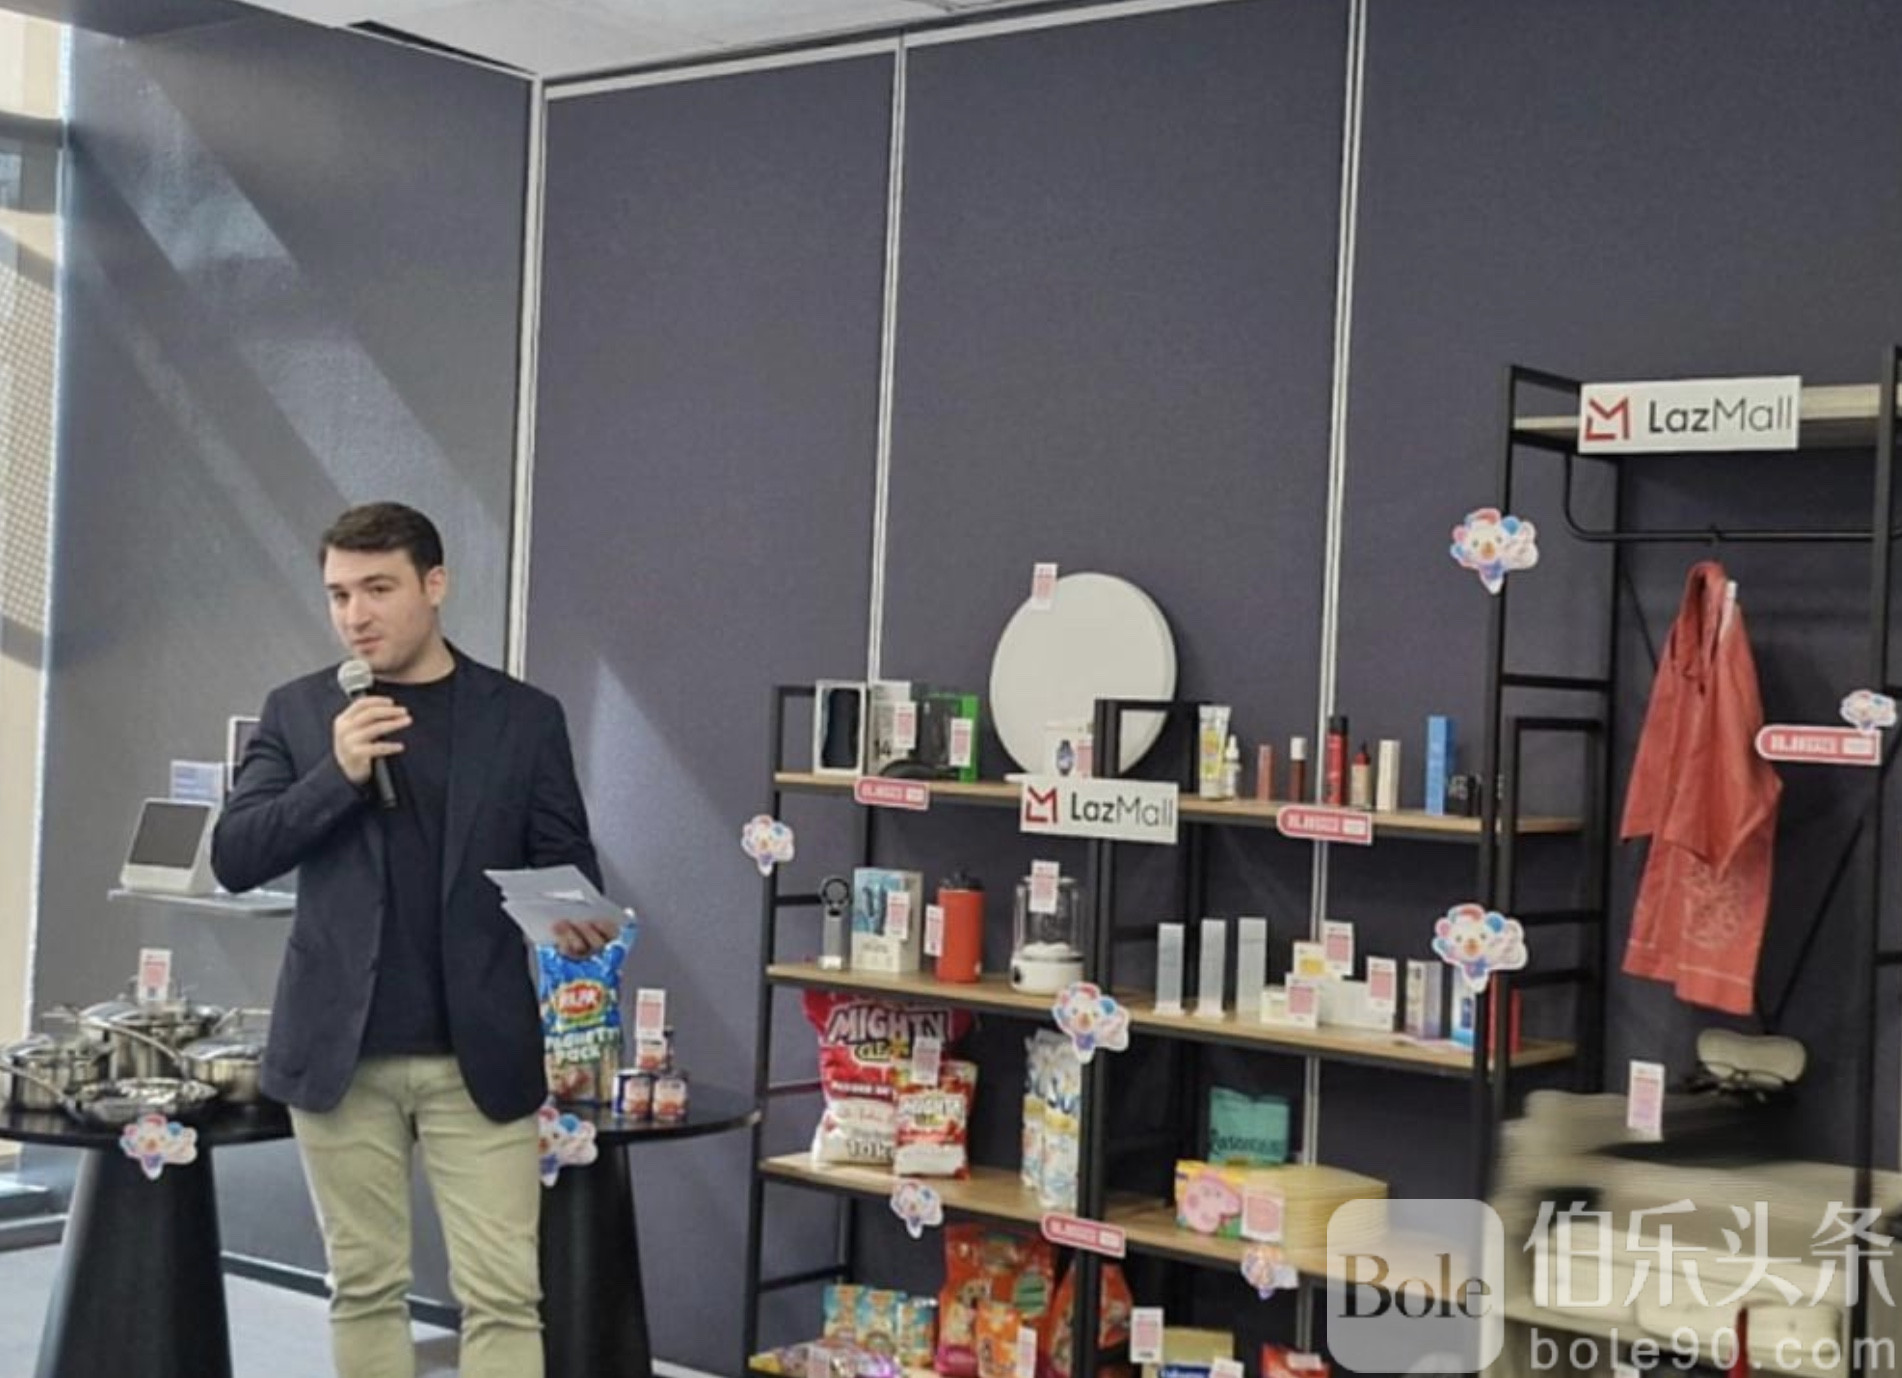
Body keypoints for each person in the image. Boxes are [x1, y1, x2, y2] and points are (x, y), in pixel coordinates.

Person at [212, 501, 616, 1378]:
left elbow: (565, 860)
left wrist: (576, 921)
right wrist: (339, 772)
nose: (355, 615)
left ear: (435, 585)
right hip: (340, 1051)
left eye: (378, 589)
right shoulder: (300, 712)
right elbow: (235, 857)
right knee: (363, 1286)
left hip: (479, 1053)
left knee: (505, 1295)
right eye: (339, 594)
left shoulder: (523, 718)